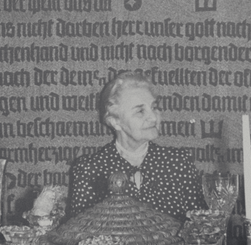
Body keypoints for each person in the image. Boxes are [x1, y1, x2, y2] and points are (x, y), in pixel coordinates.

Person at [67, 71, 206, 220]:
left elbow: (200, 227)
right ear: (115, 121)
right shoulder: (90, 169)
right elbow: (76, 233)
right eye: (140, 111)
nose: (153, 117)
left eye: (154, 107)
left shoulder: (178, 163)